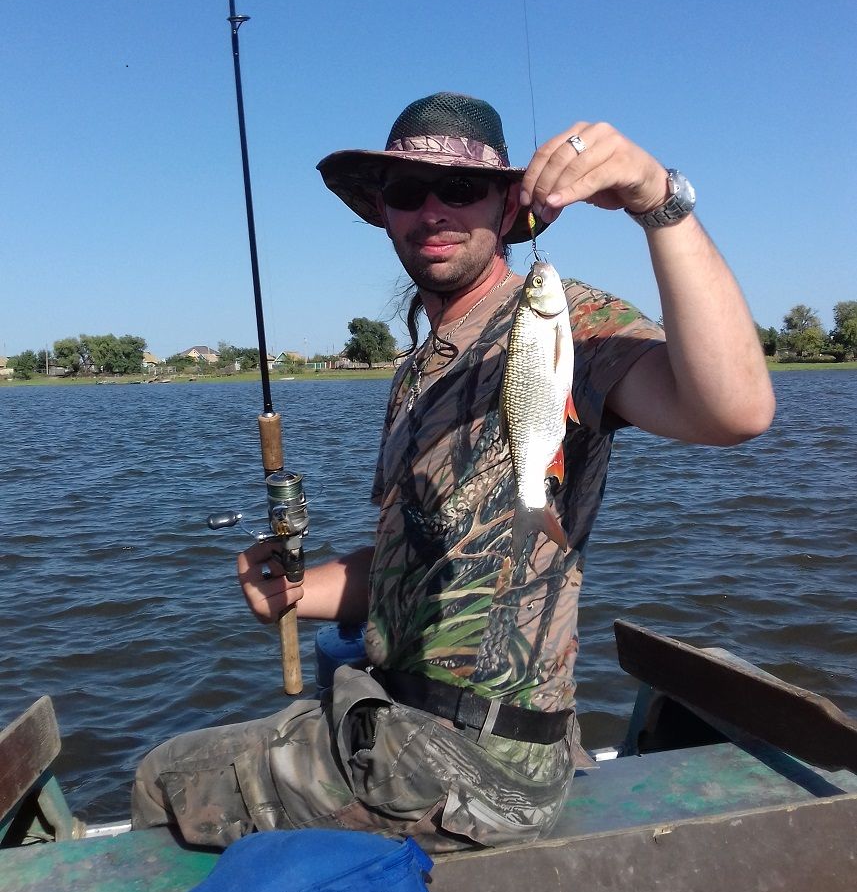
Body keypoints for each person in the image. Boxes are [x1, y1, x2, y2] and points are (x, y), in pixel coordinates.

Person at [132, 92, 775, 851]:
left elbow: (733, 411)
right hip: (397, 723)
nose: (432, 210)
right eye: (407, 190)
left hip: (478, 761)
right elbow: (416, 558)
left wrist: (658, 203)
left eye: (461, 188)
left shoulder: (563, 319)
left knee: (162, 776)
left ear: (508, 208)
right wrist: (298, 591)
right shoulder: (416, 371)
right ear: (384, 212)